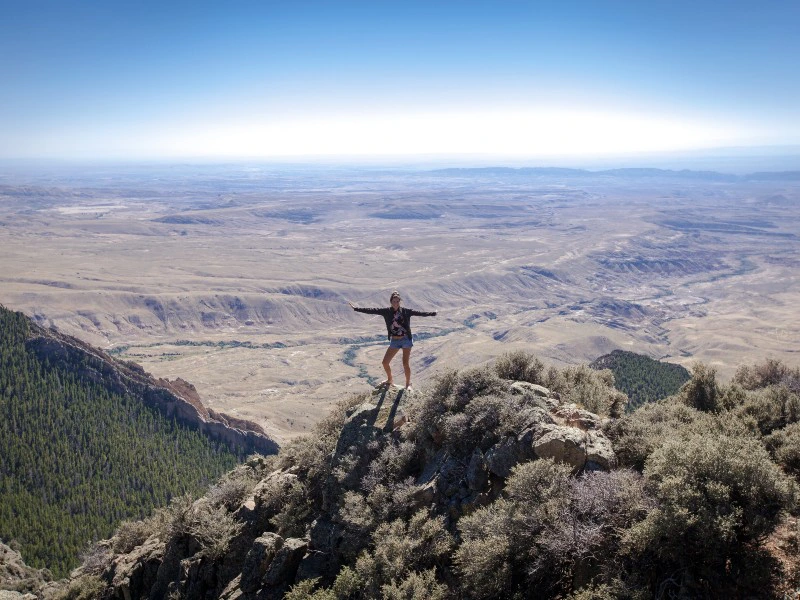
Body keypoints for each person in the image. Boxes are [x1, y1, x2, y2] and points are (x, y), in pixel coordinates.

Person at [349, 291, 436, 390]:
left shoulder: (406, 311)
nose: (396, 303)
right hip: (394, 341)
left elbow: (419, 313)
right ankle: (390, 379)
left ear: (400, 302)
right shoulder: (386, 311)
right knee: (385, 362)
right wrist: (356, 309)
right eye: (394, 301)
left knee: (405, 363)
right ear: (391, 302)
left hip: (406, 340)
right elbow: (371, 310)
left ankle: (408, 384)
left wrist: (433, 313)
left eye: (398, 301)